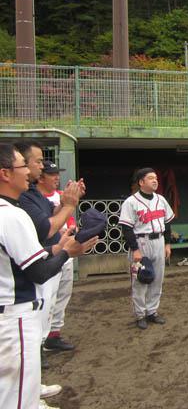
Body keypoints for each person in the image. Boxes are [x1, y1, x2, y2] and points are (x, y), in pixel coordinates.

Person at [0, 144, 97, 409]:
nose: (31, 171)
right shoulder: (11, 215)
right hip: (14, 316)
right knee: (17, 398)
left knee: (14, 389)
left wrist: (57, 248)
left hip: (8, 311)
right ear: (5, 174)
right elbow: (39, 272)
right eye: (23, 165)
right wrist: (67, 253)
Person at [16, 140, 84, 376]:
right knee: (41, 306)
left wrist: (67, 202)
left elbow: (52, 214)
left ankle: (47, 341)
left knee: (55, 301)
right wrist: (70, 205)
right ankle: (39, 348)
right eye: (37, 162)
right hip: (36, 263)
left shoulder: (33, 193)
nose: (41, 166)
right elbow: (46, 228)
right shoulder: (20, 200)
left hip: (51, 252)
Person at [119, 168, 175, 330]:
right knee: (140, 280)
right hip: (141, 242)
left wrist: (167, 244)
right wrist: (135, 249)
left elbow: (167, 223)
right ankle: (140, 315)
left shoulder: (161, 199)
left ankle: (152, 312)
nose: (155, 180)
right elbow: (127, 228)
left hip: (159, 241)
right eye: (150, 178)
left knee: (157, 279)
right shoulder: (131, 202)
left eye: (155, 178)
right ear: (141, 182)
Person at [38, 161, 77, 352]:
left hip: (65, 251)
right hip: (48, 252)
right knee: (47, 297)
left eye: (57, 174)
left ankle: (54, 335)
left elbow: (70, 219)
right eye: (52, 174)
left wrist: (72, 229)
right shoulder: (35, 200)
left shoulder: (62, 196)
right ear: (40, 177)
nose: (57, 177)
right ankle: (40, 342)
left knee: (62, 295)